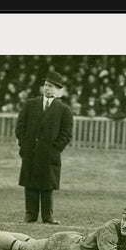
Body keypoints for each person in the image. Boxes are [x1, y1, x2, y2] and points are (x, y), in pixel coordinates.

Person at [15, 71, 73, 225]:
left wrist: (55, 151)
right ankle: (30, 215)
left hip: (50, 154)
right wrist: (24, 146)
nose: (48, 89)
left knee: (47, 186)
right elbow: (20, 127)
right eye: (46, 85)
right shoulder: (30, 104)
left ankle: (48, 216)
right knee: (30, 184)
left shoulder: (64, 110)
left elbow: (66, 134)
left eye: (52, 86)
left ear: (58, 90)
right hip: (31, 152)